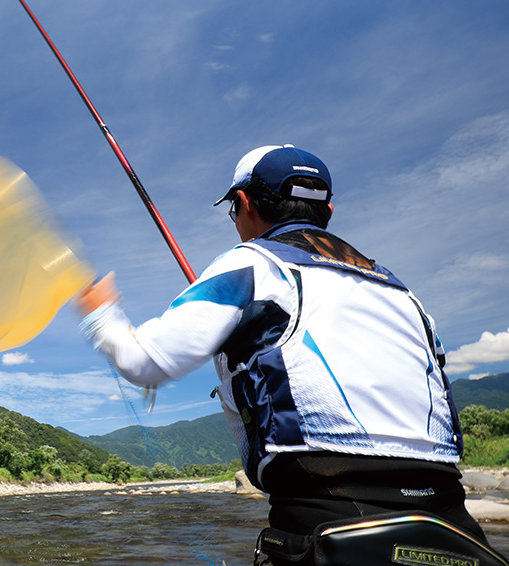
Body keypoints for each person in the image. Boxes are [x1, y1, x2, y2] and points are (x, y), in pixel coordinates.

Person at [74, 144, 495, 563]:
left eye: (233, 211)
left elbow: (145, 361)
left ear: (242, 204)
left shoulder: (250, 264)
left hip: (328, 515)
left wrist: (101, 315)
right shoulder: (405, 295)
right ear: (327, 213)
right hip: (451, 518)